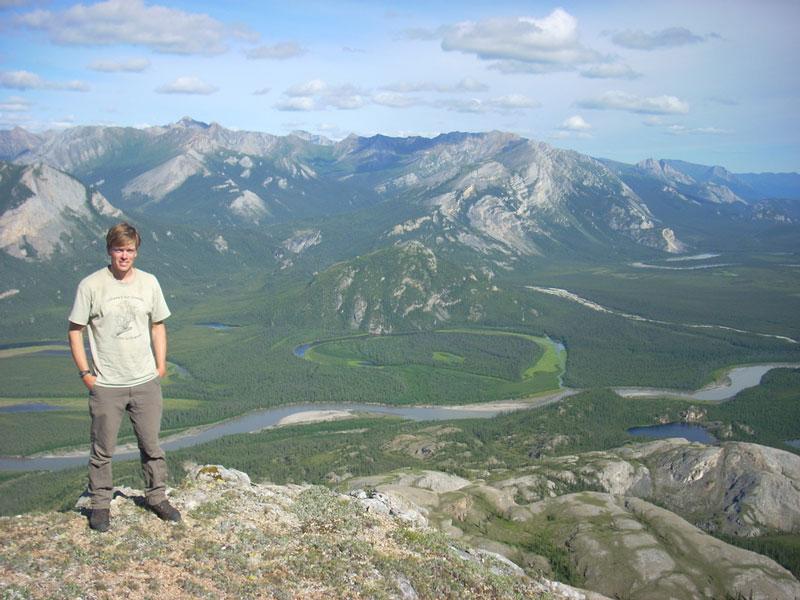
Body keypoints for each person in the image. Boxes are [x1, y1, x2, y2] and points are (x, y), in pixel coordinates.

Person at [68, 222, 181, 532]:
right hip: (107, 384)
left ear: (136, 252)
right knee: (102, 450)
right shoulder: (91, 286)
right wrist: (86, 374)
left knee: (152, 445)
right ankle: (100, 505)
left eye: (129, 250)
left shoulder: (149, 283)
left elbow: (158, 324)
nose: (124, 256)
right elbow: (75, 330)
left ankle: (156, 496)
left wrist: (160, 366)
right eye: (119, 249)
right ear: (109, 250)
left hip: (145, 381)